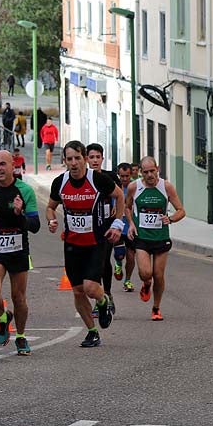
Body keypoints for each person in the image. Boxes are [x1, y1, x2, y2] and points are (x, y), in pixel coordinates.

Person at [45, 141, 125, 348]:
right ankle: (92, 331)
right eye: (69, 159)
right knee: (78, 291)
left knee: (90, 287)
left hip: (95, 242)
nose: (74, 163)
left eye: (77, 158)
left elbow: (119, 195)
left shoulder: (98, 179)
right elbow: (50, 207)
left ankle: (103, 301)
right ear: (64, 161)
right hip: (72, 244)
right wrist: (51, 219)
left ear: (85, 159)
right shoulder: (60, 182)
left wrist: (117, 223)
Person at [0, 151, 41, 355]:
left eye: (2, 164)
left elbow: (35, 225)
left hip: (18, 249)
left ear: (13, 166)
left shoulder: (25, 190)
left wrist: (20, 215)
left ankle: (21, 337)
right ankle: (3, 316)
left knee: (18, 297)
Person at [124, 156, 186, 320]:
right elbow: (127, 207)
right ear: (140, 173)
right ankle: (146, 284)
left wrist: (171, 219)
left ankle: (156, 308)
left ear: (157, 169)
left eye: (152, 171)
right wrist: (130, 223)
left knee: (158, 275)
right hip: (142, 237)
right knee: (146, 273)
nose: (150, 175)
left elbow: (181, 210)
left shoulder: (166, 187)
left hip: (161, 237)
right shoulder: (133, 187)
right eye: (146, 172)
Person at [86, 143, 120, 317]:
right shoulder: (84, 178)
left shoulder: (110, 176)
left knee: (104, 260)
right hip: (90, 226)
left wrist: (115, 206)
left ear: (102, 158)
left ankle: (106, 294)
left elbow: (119, 194)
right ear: (87, 159)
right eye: (91, 157)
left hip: (107, 225)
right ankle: (100, 298)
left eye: (97, 157)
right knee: (93, 263)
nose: (95, 160)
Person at [113, 162, 138, 292]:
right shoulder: (114, 187)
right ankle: (118, 263)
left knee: (131, 257)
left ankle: (127, 280)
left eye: (127, 176)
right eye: (122, 176)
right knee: (120, 254)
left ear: (131, 174)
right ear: (118, 175)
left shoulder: (135, 188)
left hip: (131, 227)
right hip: (118, 226)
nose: (124, 179)